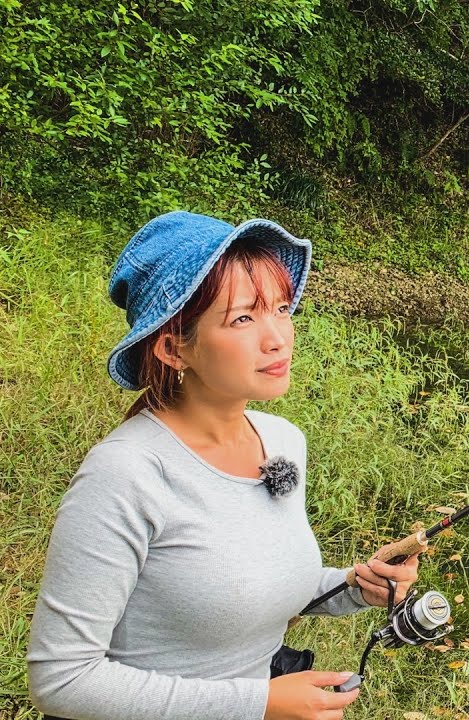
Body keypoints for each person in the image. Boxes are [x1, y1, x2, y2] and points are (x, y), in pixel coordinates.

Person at [27, 211, 419, 720]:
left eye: (281, 309)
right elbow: (62, 681)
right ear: (173, 348)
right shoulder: (124, 476)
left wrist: (352, 586)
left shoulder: (282, 441)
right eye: (242, 318)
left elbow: (250, 591)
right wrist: (259, 703)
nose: (277, 336)